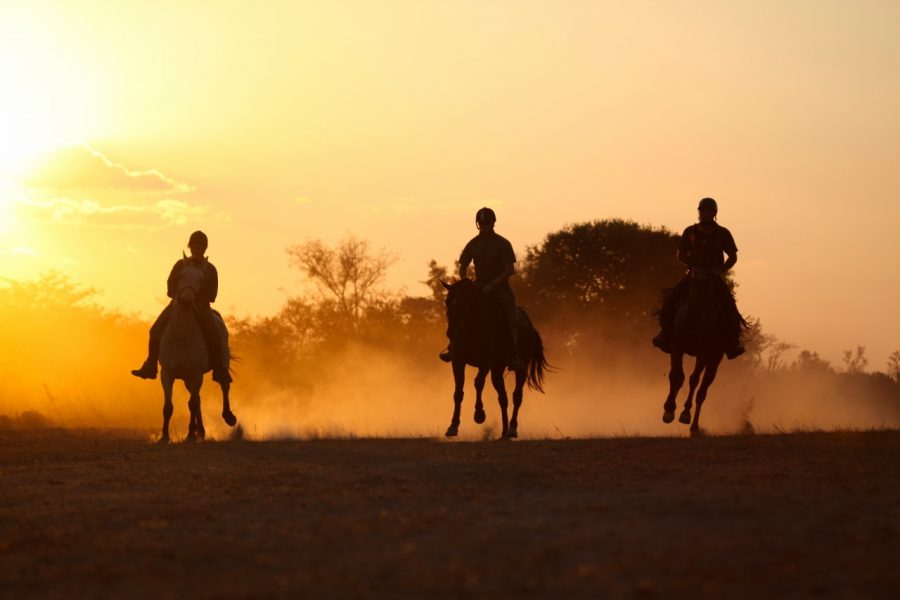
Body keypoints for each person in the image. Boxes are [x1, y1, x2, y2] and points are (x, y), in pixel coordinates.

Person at [131, 230, 232, 383]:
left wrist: (197, 303)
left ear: (204, 249)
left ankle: (219, 369)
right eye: (194, 247)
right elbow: (170, 286)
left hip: (201, 308)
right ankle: (150, 365)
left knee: (215, 333)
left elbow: (212, 294)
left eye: (200, 247)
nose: (196, 250)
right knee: (155, 329)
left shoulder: (211, 269)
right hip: (178, 305)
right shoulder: (180, 265)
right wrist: (177, 297)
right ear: (190, 247)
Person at [653, 197, 745, 359]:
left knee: (731, 308)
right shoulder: (690, 232)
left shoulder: (723, 233)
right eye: (702, 210)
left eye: (708, 210)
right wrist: (692, 265)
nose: (705, 213)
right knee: (670, 301)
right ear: (699, 212)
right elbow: (681, 254)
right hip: (693, 276)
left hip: (713, 278)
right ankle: (665, 334)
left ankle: (733, 343)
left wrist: (720, 270)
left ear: (714, 213)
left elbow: (733, 257)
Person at [440, 207, 522, 369]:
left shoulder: (503, 244)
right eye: (482, 223)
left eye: (487, 223)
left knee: (511, 315)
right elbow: (463, 266)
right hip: (478, 286)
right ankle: (453, 348)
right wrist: (465, 281)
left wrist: (493, 285)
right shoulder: (472, 244)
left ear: (493, 224)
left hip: (500, 288)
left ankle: (513, 355)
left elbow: (509, 270)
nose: (484, 226)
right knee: (458, 312)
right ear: (478, 224)